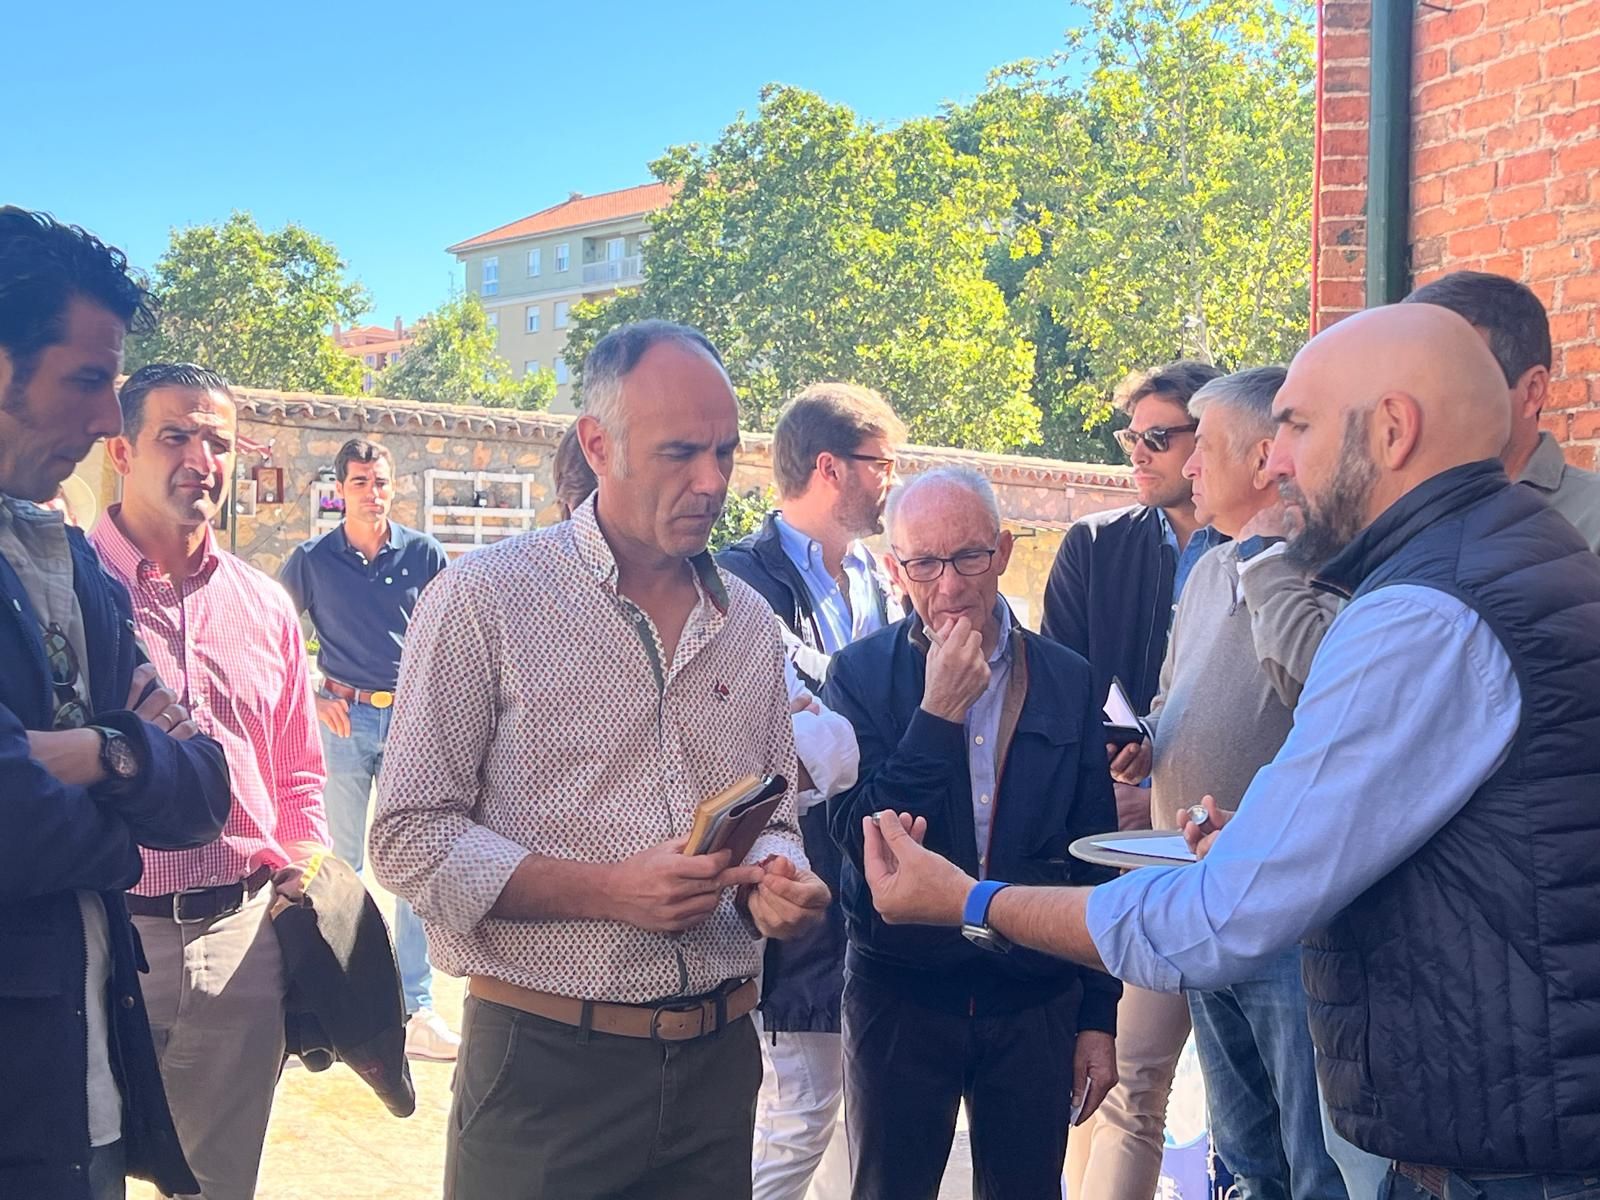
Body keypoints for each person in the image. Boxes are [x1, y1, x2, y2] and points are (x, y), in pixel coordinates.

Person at [860, 303, 1600, 1198]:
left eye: (1296, 427)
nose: (1275, 460)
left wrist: (972, 900)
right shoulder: (1508, 555)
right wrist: (1266, 834)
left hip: (1506, 1150)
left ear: (1393, 430)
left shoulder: (1424, 611)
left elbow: (1221, 918)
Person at [370, 320, 831, 1200]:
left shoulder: (748, 624)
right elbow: (407, 837)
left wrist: (781, 879)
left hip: (720, 1072)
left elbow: (774, 811)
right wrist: (607, 890)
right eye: (680, 453)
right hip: (547, 1072)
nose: (712, 482)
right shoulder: (483, 600)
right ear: (597, 444)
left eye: (726, 452)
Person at [0, 207, 231, 1200]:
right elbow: (13, 829)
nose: (107, 422)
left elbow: (205, 789)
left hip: (82, 1094)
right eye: (86, 380)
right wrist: (123, 832)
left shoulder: (69, 564)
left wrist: (101, 753)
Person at [822, 466, 1121, 1200]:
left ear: (1005, 551)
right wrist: (937, 715)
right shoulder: (858, 676)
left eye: (968, 557)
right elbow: (861, 850)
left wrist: (1098, 1017)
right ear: (895, 569)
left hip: (1035, 992)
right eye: (925, 563)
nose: (949, 585)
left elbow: (1094, 857)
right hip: (902, 992)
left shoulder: (1066, 678)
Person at [90, 362, 329, 1198]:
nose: (202, 459)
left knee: (219, 1187)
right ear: (122, 451)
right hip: (103, 941)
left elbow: (299, 771)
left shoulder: (266, 606)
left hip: (240, 947)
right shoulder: (66, 594)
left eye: (219, 443)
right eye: (176, 437)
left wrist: (302, 869)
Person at [1116, 366, 1346, 1200]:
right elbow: (1174, 694)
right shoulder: (1209, 567)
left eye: (1202, 447)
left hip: (1285, 911)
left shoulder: (1327, 565)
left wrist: (1268, 560)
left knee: (1310, 1158)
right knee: (1245, 1156)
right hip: (1197, 890)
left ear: (1260, 459)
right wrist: (1146, 738)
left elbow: (1317, 687)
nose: (1188, 467)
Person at [1040, 359, 1224, 1200]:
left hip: (1233, 844)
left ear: (1208, 441)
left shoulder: (1259, 551)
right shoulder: (1094, 544)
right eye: (1131, 436)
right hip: (1123, 846)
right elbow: (1059, 686)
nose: (1138, 454)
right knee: (1124, 1077)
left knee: (1238, 1096)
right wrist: (1104, 778)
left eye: (1158, 437)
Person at [718, 381, 904, 1200]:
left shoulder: (878, 579)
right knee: (797, 1114)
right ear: (830, 467)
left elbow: (846, 718)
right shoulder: (738, 583)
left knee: (851, 1122)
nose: (892, 481)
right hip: (789, 891)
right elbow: (786, 739)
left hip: (873, 889)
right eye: (881, 463)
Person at [278, 436, 457, 1059]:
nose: (372, 493)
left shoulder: (425, 555)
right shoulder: (312, 560)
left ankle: (416, 1007)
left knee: (410, 859)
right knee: (338, 868)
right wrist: (310, 694)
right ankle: (341, 1009)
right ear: (340, 491)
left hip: (410, 723)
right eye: (359, 482)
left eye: (380, 482)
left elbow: (452, 634)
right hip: (343, 723)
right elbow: (274, 636)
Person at [1405, 269, 1600, 552]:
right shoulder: (1390, 510)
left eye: (1449, 378)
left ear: (1531, 391)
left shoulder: (1590, 517)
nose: (1419, 403)